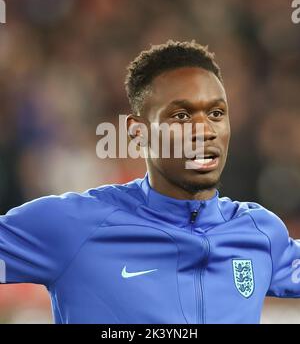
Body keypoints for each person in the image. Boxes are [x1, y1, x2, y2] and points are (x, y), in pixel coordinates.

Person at [0, 40, 299, 324]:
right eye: (181, 116)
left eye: (216, 113)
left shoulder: (261, 233)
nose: (204, 130)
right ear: (138, 132)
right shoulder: (74, 226)